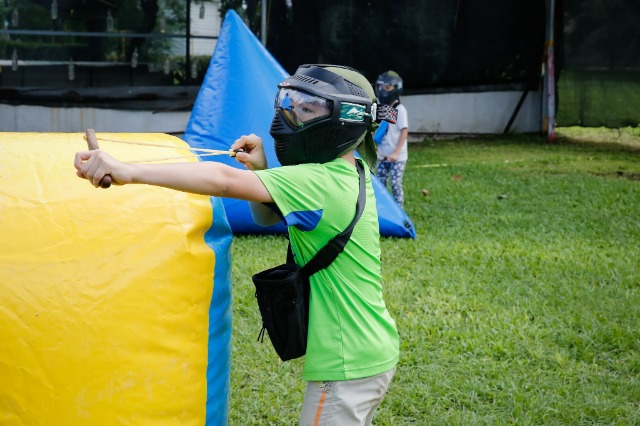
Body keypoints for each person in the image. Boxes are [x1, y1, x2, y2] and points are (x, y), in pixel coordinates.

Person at [75, 64, 399, 426]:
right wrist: (260, 170)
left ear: (342, 120)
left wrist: (128, 171)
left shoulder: (321, 182)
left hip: (347, 362)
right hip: (365, 351)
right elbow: (266, 217)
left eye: (307, 109)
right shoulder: (349, 172)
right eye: (291, 104)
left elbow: (223, 181)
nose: (290, 115)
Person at [374, 70, 408, 209]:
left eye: (387, 87)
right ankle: (381, 211)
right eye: (381, 87)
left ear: (396, 88)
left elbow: (404, 131)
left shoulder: (400, 109)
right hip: (383, 156)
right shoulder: (383, 109)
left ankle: (399, 212)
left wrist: (395, 153)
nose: (383, 90)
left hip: (397, 157)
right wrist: (377, 151)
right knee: (379, 184)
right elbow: (379, 131)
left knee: (395, 183)